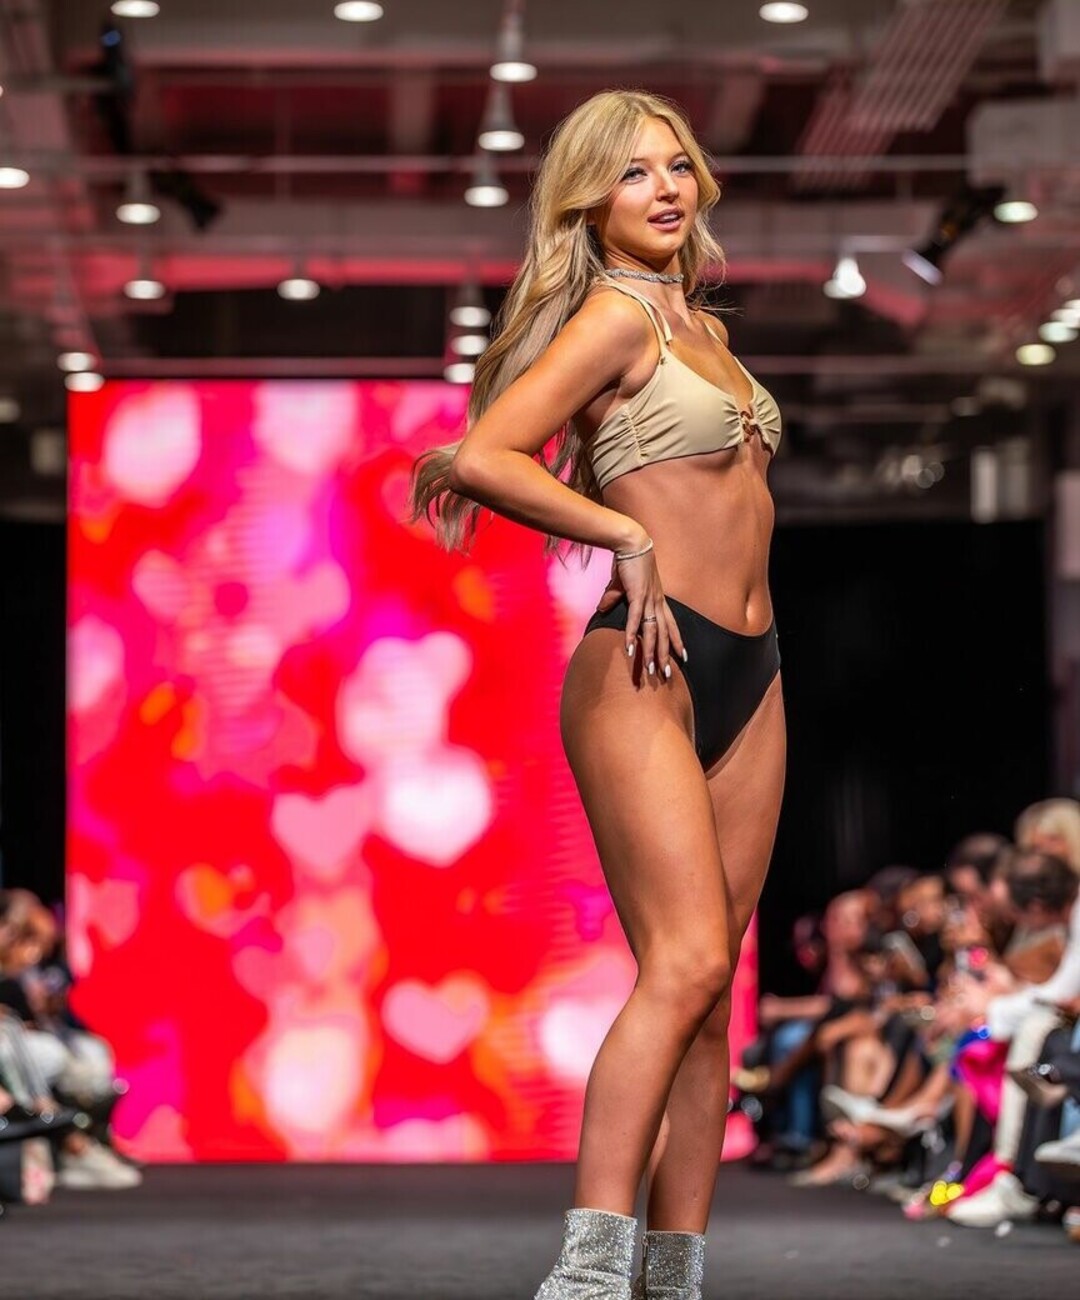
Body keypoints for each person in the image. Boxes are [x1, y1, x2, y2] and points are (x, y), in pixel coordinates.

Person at [410, 90, 785, 1300]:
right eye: (632, 174)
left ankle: (673, 1277)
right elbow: (482, 453)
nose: (664, 189)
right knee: (682, 962)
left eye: (676, 166)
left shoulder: (702, 323)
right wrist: (623, 533)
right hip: (644, 664)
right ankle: (587, 1270)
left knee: (715, 988)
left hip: (757, 666)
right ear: (589, 200)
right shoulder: (616, 316)